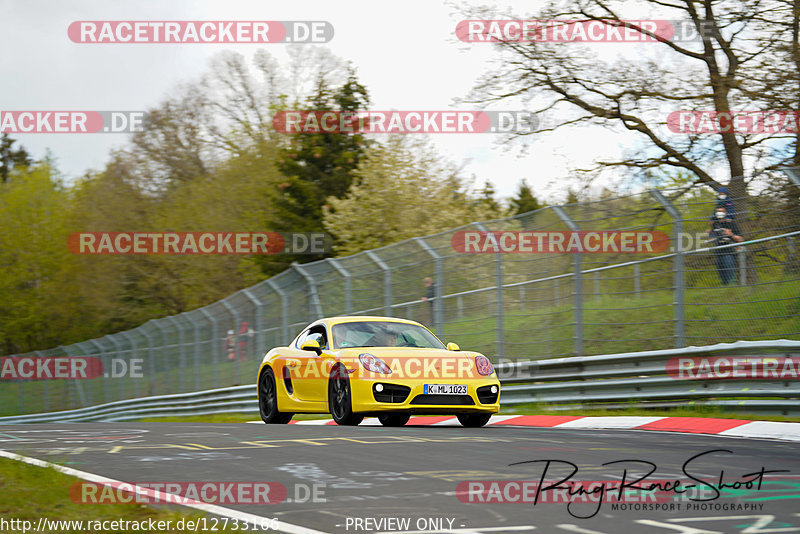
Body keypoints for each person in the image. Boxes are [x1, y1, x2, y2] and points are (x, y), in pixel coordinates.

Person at [708, 206, 743, 285]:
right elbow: (713, 237)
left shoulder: (731, 223)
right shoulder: (715, 224)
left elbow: (741, 239)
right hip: (718, 253)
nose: (719, 213)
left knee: (730, 276)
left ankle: (733, 290)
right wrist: (710, 237)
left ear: (725, 213)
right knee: (722, 277)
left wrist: (730, 234)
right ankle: (726, 290)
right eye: (718, 211)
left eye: (721, 211)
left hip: (729, 253)